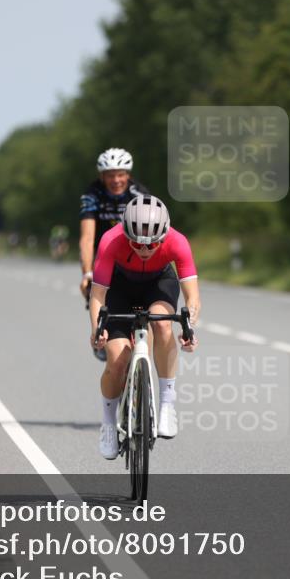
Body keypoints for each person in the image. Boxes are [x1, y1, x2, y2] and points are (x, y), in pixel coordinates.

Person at [90, 195, 200, 460]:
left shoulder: (178, 242)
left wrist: (189, 326)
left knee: (163, 326)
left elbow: (192, 296)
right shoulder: (110, 241)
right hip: (119, 288)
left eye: (152, 244)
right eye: (136, 243)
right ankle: (108, 423)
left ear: (164, 236)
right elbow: (98, 295)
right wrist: (97, 328)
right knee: (117, 360)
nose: (143, 250)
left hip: (158, 283)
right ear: (125, 232)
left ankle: (167, 405)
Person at [79, 148, 150, 359]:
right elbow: (87, 237)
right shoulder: (92, 195)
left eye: (120, 174)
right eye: (110, 175)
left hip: (134, 254)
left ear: (128, 175)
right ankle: (102, 329)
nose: (116, 180)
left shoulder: (140, 194)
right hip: (103, 254)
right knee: (98, 292)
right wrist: (87, 273)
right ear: (102, 176)